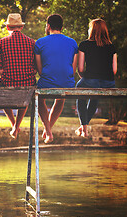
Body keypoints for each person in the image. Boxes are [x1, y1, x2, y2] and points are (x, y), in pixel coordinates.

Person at [35, 14, 78, 143]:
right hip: (67, 83)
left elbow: (39, 69)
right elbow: (73, 69)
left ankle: (48, 130)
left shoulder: (40, 42)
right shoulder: (72, 42)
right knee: (60, 99)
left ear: (48, 26)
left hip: (46, 81)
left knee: (40, 99)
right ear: (62, 27)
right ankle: (48, 130)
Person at [75, 19, 117, 137]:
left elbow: (81, 69)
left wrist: (86, 78)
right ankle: (84, 126)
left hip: (91, 79)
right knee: (95, 94)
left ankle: (84, 128)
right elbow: (114, 70)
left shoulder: (84, 45)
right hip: (109, 83)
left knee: (80, 90)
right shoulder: (111, 46)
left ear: (91, 30)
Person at [0, 13, 37, 138]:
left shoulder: (1, 43)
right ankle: (16, 125)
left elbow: (0, 69)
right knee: (25, 95)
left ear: (8, 27)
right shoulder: (32, 42)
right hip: (28, 83)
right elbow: (35, 67)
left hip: (8, 82)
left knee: (1, 95)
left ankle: (13, 123)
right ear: (21, 27)